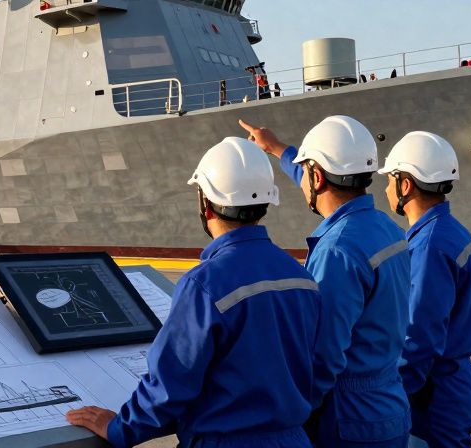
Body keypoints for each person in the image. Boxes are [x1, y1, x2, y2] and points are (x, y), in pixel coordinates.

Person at [66, 137, 321, 447]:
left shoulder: (204, 284)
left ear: (206, 204)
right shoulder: (301, 276)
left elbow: (171, 382)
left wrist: (122, 428)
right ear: (265, 203)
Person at [240, 116, 411, 448]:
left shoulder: (336, 250)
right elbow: (317, 179)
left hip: (350, 422)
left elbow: (324, 356)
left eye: (306, 171)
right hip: (389, 406)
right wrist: (276, 148)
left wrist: (290, 415)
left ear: (317, 177)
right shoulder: (387, 229)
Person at [379, 132, 471, 448]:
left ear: (405, 185)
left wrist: (389, 399)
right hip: (453, 387)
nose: (385, 188)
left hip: (432, 402)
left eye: (390, 179)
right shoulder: (452, 232)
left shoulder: (428, 246)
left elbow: (419, 338)